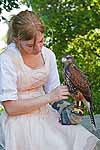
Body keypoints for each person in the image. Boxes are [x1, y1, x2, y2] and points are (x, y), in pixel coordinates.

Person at [0, 10, 99, 150]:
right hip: (18, 121)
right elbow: (10, 108)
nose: (38, 48)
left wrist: (68, 107)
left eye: (41, 41)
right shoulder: (7, 59)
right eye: (30, 45)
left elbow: (55, 95)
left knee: (82, 141)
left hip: (47, 113)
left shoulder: (48, 55)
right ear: (17, 39)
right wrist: (50, 96)